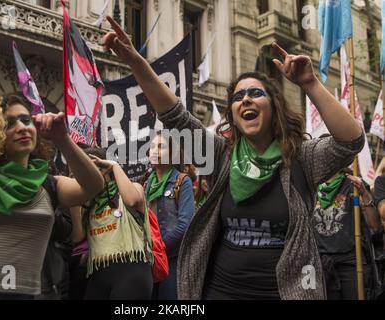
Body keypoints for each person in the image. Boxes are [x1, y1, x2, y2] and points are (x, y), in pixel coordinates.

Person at [102, 16, 364, 299]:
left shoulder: (301, 157)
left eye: (255, 93)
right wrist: (135, 61)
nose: (246, 100)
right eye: (238, 97)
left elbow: (351, 141)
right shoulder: (219, 155)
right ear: (234, 117)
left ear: (274, 107)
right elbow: (174, 115)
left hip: (286, 292)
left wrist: (309, 83)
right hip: (221, 291)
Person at [0, 46, 104, 299]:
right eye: (10, 123)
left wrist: (63, 140)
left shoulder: (48, 185)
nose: (22, 127)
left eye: (26, 120)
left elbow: (93, 186)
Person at [72, 147, 153, 300]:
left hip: (132, 272)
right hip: (98, 274)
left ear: (106, 168)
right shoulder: (89, 205)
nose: (86, 175)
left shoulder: (133, 189)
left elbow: (132, 200)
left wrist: (115, 166)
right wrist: (75, 197)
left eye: (91, 170)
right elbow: (77, 236)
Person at [312, 168, 383, 300]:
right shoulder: (310, 182)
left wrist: (364, 193)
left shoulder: (354, 183)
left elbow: (375, 225)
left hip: (351, 263)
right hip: (319, 262)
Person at [146, 131, 195, 300]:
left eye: (161, 146)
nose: (154, 150)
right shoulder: (147, 183)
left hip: (172, 259)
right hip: (148, 259)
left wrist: (159, 247)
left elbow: (186, 224)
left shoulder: (183, 181)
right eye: (152, 146)